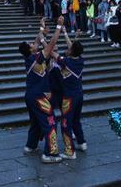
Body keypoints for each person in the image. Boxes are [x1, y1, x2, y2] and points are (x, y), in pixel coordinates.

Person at [18, 16, 64, 163]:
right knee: (50, 121)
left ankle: (30, 146)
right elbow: (50, 45)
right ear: (30, 49)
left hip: (31, 95)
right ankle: (50, 153)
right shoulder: (36, 59)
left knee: (36, 122)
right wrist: (58, 27)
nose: (33, 43)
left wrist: (41, 27)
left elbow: (38, 40)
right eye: (31, 44)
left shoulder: (29, 58)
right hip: (38, 96)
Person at [49, 27, 86, 158]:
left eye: (70, 48)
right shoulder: (80, 60)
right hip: (79, 95)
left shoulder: (66, 62)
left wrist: (43, 40)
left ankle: (69, 151)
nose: (67, 49)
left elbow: (51, 53)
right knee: (76, 120)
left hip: (69, 98)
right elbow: (73, 47)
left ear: (72, 52)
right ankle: (81, 142)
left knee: (65, 124)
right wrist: (65, 33)